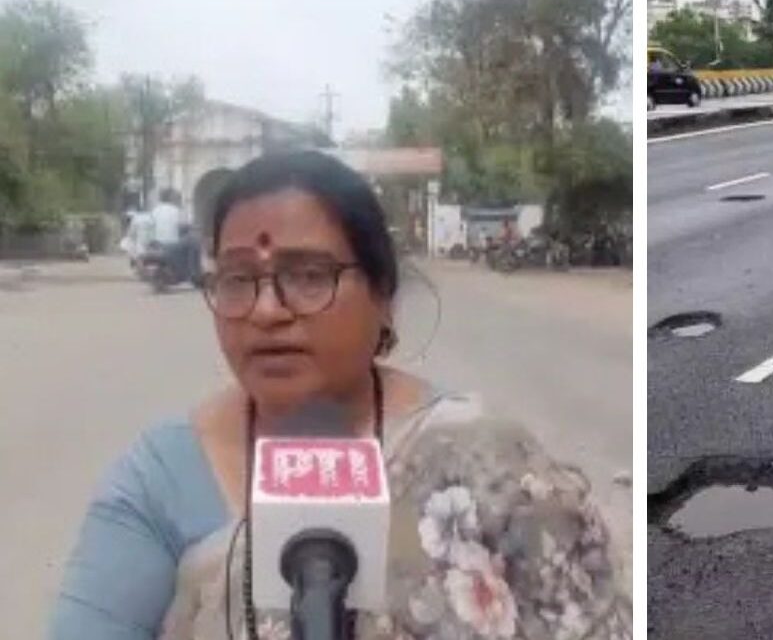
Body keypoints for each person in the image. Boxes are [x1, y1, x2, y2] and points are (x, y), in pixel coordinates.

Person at [50, 151, 629, 639]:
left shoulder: (489, 462)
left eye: (308, 275)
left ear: (382, 294)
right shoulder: (158, 480)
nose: (268, 310)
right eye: (237, 279)